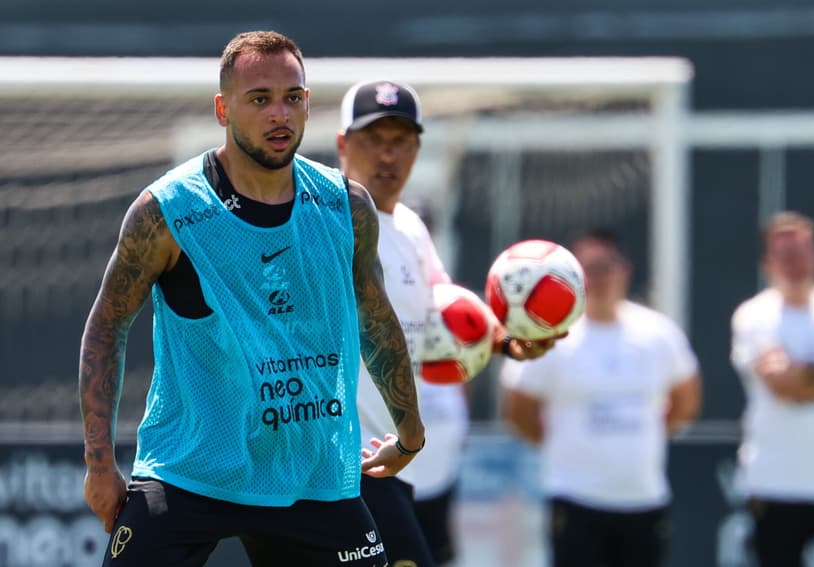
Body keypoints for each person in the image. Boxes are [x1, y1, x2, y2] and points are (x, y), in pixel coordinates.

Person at [78, 31, 426, 567]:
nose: (279, 113)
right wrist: (100, 463)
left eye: (292, 97)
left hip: (310, 473)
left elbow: (375, 321)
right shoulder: (166, 211)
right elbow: (106, 328)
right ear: (223, 109)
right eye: (259, 99)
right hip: (191, 470)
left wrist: (408, 430)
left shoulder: (345, 207)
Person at [336, 79, 558, 567]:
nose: (388, 155)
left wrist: (509, 343)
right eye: (374, 139)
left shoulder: (411, 228)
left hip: (385, 463)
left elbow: (448, 310)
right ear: (342, 144)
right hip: (338, 464)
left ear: (417, 148)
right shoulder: (327, 218)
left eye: (401, 141)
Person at [500, 228, 702, 567]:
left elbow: (685, 400)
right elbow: (519, 410)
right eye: (588, 270)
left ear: (626, 270)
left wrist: (643, 436)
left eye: (607, 267)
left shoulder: (658, 333)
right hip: (575, 499)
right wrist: (564, 444)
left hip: (642, 498)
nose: (599, 279)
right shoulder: (552, 337)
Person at [730, 211, 814, 566]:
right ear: (767, 263)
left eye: (801, 253)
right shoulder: (753, 315)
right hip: (774, 485)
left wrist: (805, 372)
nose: (794, 264)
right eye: (784, 255)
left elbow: (795, 380)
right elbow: (782, 385)